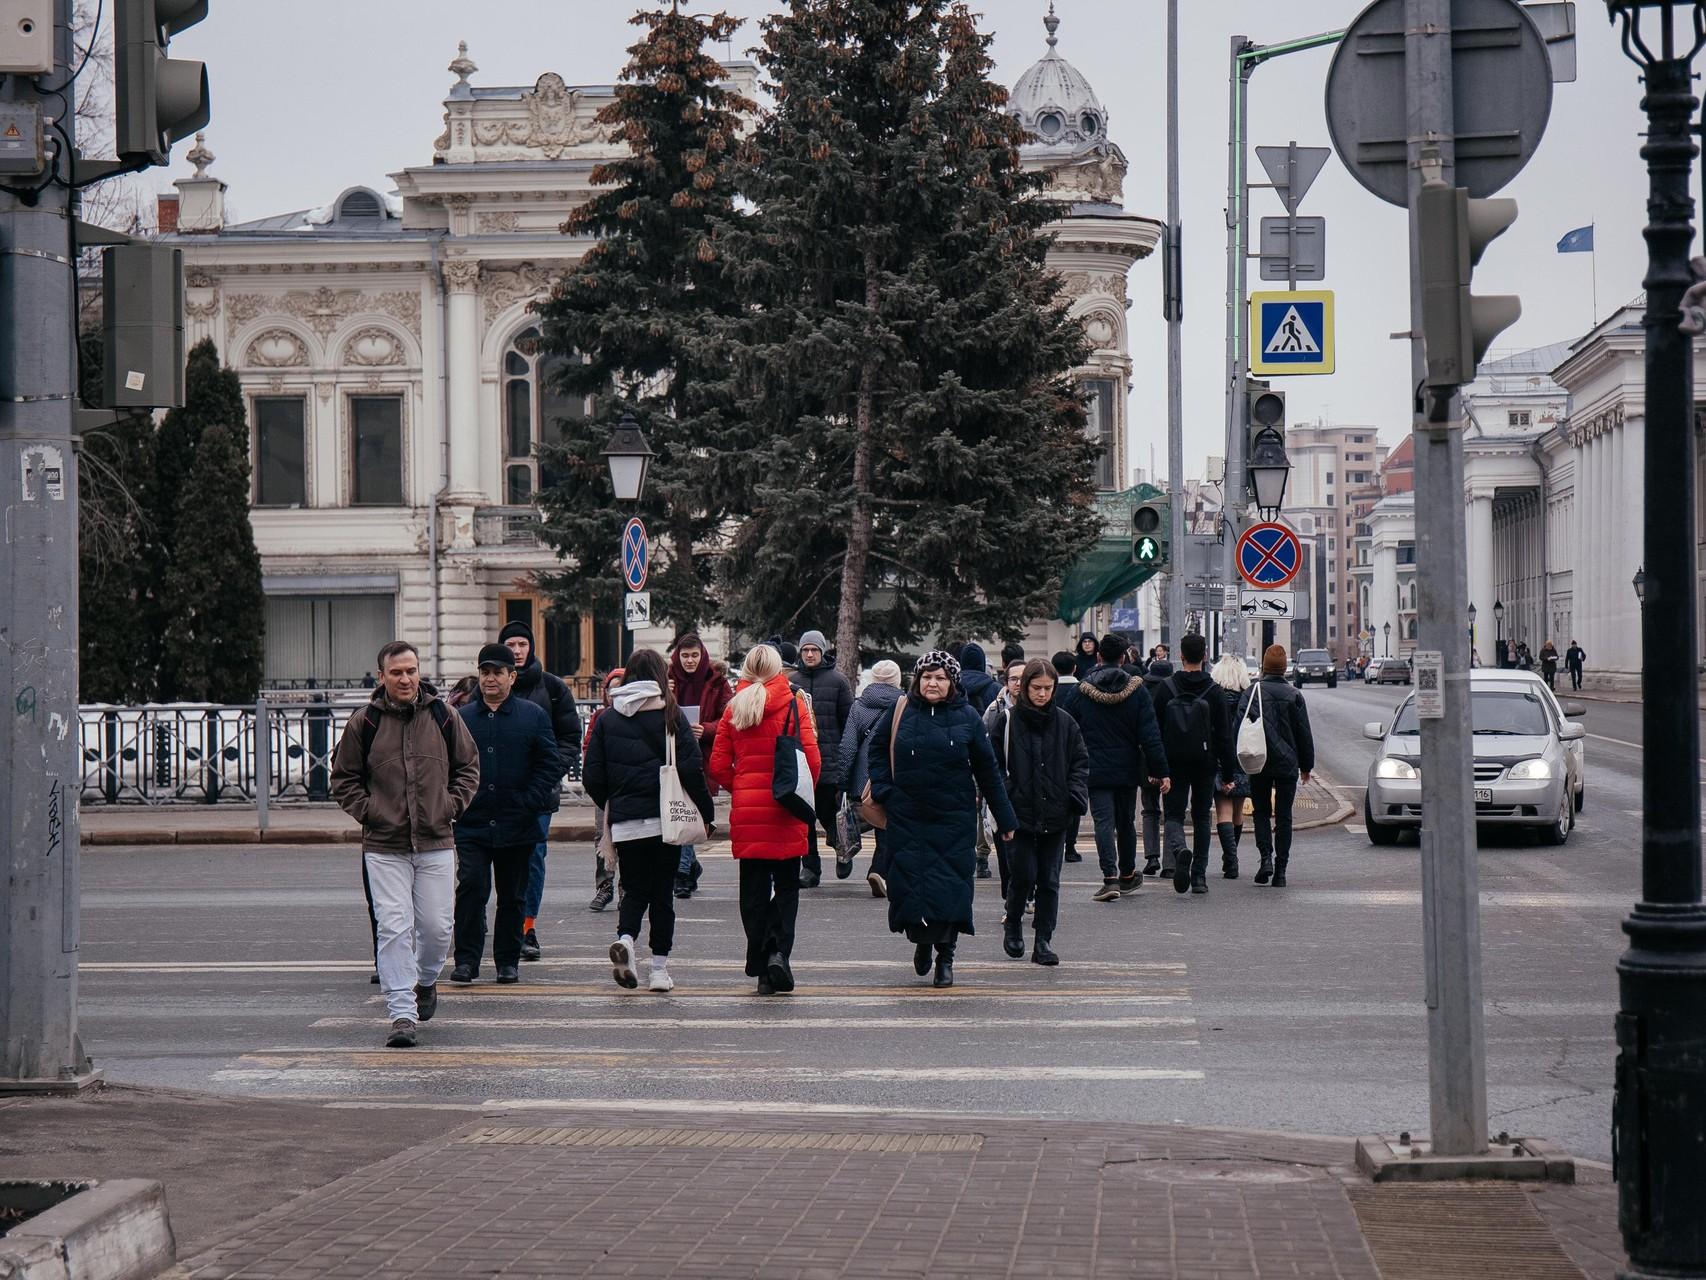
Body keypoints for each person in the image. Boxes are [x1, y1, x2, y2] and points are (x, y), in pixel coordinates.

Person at [331, 641, 480, 1049]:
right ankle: (401, 1012)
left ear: (419, 672)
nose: (405, 678)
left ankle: (426, 980)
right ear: (382, 676)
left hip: (436, 840)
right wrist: (371, 811)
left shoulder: (443, 716)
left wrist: (450, 806)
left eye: (411, 670)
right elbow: (342, 779)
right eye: (396, 672)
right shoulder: (365, 722)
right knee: (394, 927)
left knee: (436, 927)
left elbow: (468, 766)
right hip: (384, 843)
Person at [867, 650, 1017, 988]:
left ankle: (945, 955)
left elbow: (988, 771)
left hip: (953, 818)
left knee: (951, 888)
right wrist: (885, 790)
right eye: (927, 676)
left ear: (952, 682)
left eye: (940, 677)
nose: (932, 683)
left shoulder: (967, 717)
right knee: (910, 886)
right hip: (907, 817)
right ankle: (921, 942)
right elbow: (876, 752)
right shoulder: (901, 710)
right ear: (917, 680)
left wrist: (1005, 820)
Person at [581, 647, 715, 994]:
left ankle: (626, 939)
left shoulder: (609, 717)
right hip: (665, 821)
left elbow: (592, 775)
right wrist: (706, 812)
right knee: (662, 895)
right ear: (659, 675)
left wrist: (614, 805)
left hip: (625, 824)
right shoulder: (669, 713)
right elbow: (691, 768)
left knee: (634, 888)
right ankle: (658, 970)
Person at [708, 645, 821, 995]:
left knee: (753, 893)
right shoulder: (793, 703)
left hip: (749, 810)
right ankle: (778, 953)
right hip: (785, 809)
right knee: (787, 888)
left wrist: (741, 785)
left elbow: (716, 766)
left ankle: (761, 967)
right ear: (778, 670)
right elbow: (813, 761)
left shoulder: (733, 709)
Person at [450, 645, 564, 985]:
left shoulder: (532, 715)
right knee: (471, 887)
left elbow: (550, 762)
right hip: (472, 821)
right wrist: (456, 801)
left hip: (518, 821)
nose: (490, 679)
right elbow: (449, 765)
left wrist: (530, 800)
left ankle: (506, 961)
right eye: (485, 672)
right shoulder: (462, 717)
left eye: (498, 672)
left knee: (513, 894)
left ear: (511, 677)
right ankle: (466, 960)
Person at [989, 659, 1088, 965]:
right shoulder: (1006, 721)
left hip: (1056, 812)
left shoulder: (1065, 722)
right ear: (1025, 686)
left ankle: (1043, 939)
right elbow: (993, 766)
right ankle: (1014, 923)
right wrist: (1007, 797)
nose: (1042, 694)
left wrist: (1073, 797)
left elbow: (1079, 763)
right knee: (1022, 875)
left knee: (1049, 879)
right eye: (1037, 688)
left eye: (1048, 688)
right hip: (1018, 813)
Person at [497, 620, 582, 964]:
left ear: (531, 647)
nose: (517, 651)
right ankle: (501, 925)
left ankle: (526, 927)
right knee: (491, 861)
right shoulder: (489, 685)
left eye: (522, 644)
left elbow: (569, 739)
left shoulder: (552, 688)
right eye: (511, 645)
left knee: (532, 858)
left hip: (538, 794)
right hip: (496, 794)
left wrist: (547, 776)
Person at [1075, 633, 1171, 903]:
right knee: (1126, 822)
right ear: (1124, 658)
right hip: (1128, 767)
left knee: (1103, 822)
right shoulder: (1137, 691)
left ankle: (1109, 878)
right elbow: (1150, 735)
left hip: (1094, 767)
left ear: (1098, 657)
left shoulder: (1082, 690)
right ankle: (1128, 874)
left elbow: (1068, 727)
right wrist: (1161, 770)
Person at [1150, 632, 1239, 896]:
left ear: (1180, 656)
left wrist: (1156, 768)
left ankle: (1179, 851)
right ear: (1204, 657)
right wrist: (1229, 774)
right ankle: (1199, 876)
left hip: (1173, 762)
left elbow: (1153, 731)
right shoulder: (1215, 692)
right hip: (1205, 762)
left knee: (1174, 814)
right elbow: (1224, 736)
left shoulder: (1166, 688)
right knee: (1201, 817)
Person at [1240, 645, 1315, 888]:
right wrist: (1306, 766)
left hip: (1258, 760)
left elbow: (1238, 725)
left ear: (1263, 666)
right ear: (1284, 668)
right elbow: (1304, 734)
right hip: (1287, 763)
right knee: (1284, 816)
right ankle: (1281, 870)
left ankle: (1265, 860)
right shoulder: (1294, 695)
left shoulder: (1253, 692)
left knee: (1260, 811)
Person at [669, 633, 734, 900]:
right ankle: (686, 869)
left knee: (693, 812)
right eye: (685, 655)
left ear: (702, 654)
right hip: (671, 755)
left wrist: (705, 729)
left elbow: (730, 718)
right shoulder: (666, 679)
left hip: (704, 756)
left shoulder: (717, 682)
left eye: (694, 655)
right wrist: (669, 694)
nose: (690, 661)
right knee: (681, 811)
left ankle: (686, 868)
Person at [790, 629, 854, 889]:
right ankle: (810, 868)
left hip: (829, 762)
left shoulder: (838, 681)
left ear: (822, 651)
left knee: (829, 815)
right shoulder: (792, 681)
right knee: (804, 818)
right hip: (801, 761)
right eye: (805, 650)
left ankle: (842, 849)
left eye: (813, 650)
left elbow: (849, 722)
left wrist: (845, 759)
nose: (809, 654)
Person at [838, 660, 905, 898]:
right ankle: (879, 870)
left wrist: (844, 782)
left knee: (862, 818)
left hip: (862, 777)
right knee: (887, 824)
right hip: (893, 775)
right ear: (897, 680)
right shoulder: (904, 705)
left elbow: (847, 747)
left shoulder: (859, 707)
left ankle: (844, 854)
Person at [983, 659, 1028, 898]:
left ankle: (1029, 895)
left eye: (1023, 678)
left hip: (1035, 793)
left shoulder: (1048, 710)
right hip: (1004, 790)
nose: (1019, 683)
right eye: (1013, 679)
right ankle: (1010, 901)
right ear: (1006, 682)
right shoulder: (994, 711)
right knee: (1006, 851)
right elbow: (984, 752)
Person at [1208, 653, 1252, 880]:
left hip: (1218, 759)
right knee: (1237, 811)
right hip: (1242, 759)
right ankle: (1232, 859)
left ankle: (1231, 860)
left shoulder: (1212, 698)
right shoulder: (1248, 699)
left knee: (1222, 811)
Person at [583, 669, 624, 911]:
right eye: (611, 690)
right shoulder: (600, 717)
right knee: (602, 837)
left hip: (627, 788)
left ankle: (625, 890)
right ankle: (604, 886)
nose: (615, 694)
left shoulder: (635, 715)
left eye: (621, 688)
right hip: (604, 789)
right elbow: (588, 749)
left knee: (627, 838)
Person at [1139, 656, 1174, 878]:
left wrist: (1149, 768)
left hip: (1146, 759)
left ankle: (1152, 857)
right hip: (1172, 761)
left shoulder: (1142, 694)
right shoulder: (1174, 692)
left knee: (1150, 809)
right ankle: (1170, 863)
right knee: (1172, 812)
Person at [1050, 651, 1085, 863]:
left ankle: (1055, 840)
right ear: (1074, 668)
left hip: (1051, 750)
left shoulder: (1047, 689)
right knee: (1074, 794)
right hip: (1075, 749)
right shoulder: (1082, 689)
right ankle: (1070, 845)